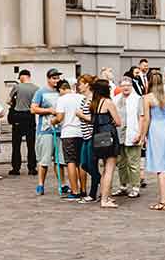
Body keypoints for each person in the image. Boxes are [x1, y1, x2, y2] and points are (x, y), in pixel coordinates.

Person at [142, 69, 165, 209]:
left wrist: (143, 136)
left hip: (156, 130)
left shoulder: (147, 98)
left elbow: (146, 119)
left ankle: (163, 201)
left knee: (160, 168)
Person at [84, 76, 122, 207]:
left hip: (97, 135)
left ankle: (106, 195)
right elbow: (118, 122)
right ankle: (105, 199)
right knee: (109, 169)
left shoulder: (94, 103)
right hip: (108, 134)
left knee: (104, 168)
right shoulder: (108, 102)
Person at [57, 74, 89, 201]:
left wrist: (53, 121)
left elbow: (59, 117)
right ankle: (83, 189)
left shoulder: (62, 99)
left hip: (68, 133)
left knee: (70, 161)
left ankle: (74, 191)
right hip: (82, 132)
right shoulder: (82, 98)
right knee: (81, 162)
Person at [112, 73, 144, 198]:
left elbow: (142, 117)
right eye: (123, 85)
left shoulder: (137, 99)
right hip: (119, 134)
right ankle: (123, 186)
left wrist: (140, 134)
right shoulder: (116, 99)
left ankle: (135, 187)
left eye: (128, 85)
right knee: (121, 162)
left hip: (133, 133)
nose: (125, 88)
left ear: (132, 86)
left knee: (133, 162)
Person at [32, 75, 62, 196]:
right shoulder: (41, 92)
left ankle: (63, 183)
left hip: (60, 129)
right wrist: (48, 110)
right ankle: (40, 184)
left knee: (60, 161)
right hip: (45, 130)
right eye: (54, 78)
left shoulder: (61, 91)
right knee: (44, 160)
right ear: (48, 79)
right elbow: (33, 109)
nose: (56, 81)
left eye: (58, 78)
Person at [8, 70, 39, 176]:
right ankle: (32, 167)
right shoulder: (36, 88)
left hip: (18, 116)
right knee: (31, 144)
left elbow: (9, 101)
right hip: (30, 116)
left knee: (16, 144)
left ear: (21, 77)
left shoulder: (17, 87)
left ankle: (16, 168)